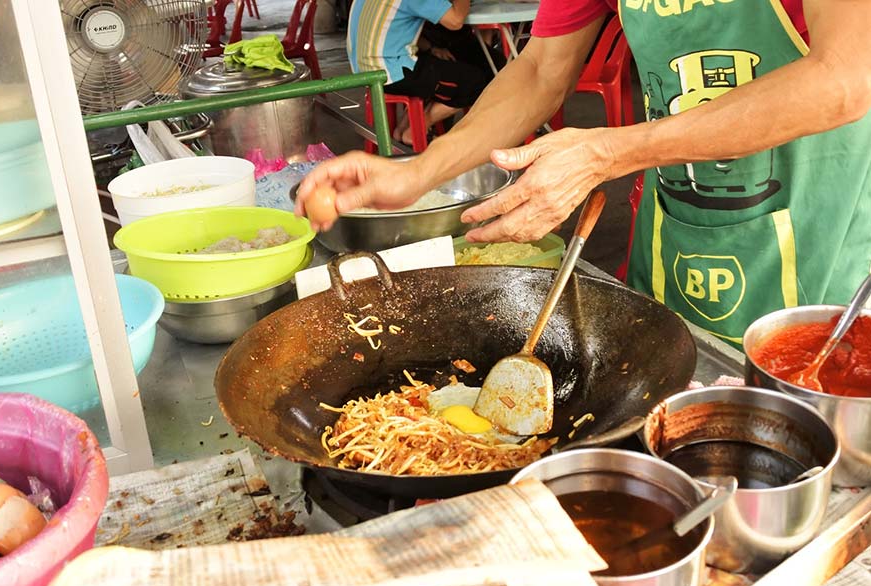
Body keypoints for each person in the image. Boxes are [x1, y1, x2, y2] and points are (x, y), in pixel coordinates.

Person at [300, 0, 871, 347]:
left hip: (828, 230)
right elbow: (540, 69)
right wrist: (419, 173)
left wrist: (611, 152)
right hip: (682, 225)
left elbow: (845, 77)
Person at [347, 0, 497, 145]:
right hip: (389, 72)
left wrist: (432, 48)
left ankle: (403, 129)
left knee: (447, 62)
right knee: (477, 81)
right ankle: (416, 130)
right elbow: (455, 21)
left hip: (364, 69)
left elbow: (395, 30)